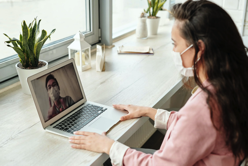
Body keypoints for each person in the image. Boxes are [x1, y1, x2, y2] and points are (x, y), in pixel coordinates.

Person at [68, 0, 248, 165]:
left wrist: (109, 146)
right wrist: (149, 111)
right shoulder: (230, 86)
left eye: (175, 43)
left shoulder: (204, 107)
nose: (174, 50)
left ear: (199, 49)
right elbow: (194, 129)